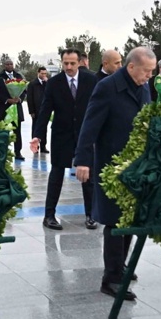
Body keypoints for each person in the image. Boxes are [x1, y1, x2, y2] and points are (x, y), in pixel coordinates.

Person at [73, 47, 156, 301]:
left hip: (135, 165)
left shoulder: (142, 88)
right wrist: (83, 160)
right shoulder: (107, 87)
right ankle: (110, 279)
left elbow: (147, 121)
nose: (149, 77)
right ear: (131, 67)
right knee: (114, 220)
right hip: (110, 164)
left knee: (130, 217)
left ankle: (121, 267)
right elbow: (90, 124)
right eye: (146, 71)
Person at [30, 48, 98, 231]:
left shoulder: (91, 81)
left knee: (87, 176)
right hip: (61, 135)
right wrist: (37, 135)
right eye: (65, 63)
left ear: (80, 63)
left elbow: (97, 108)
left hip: (84, 136)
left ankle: (91, 215)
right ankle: (49, 215)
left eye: (72, 63)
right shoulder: (54, 83)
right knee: (56, 175)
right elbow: (45, 111)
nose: (68, 67)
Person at [0, 58, 27, 160]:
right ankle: (3, 151)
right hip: (5, 108)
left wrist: (19, 99)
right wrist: (7, 100)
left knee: (17, 131)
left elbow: (24, 91)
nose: (9, 66)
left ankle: (18, 152)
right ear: (4, 66)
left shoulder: (18, 76)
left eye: (11, 64)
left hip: (16, 108)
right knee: (4, 130)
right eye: (7, 64)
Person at [26, 67, 49, 153]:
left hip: (45, 110)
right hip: (36, 110)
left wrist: (48, 83)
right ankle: (35, 146)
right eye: (42, 73)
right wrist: (31, 111)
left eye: (45, 74)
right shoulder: (32, 84)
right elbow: (29, 98)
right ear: (38, 73)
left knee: (44, 128)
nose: (43, 75)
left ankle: (43, 146)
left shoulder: (47, 83)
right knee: (35, 128)